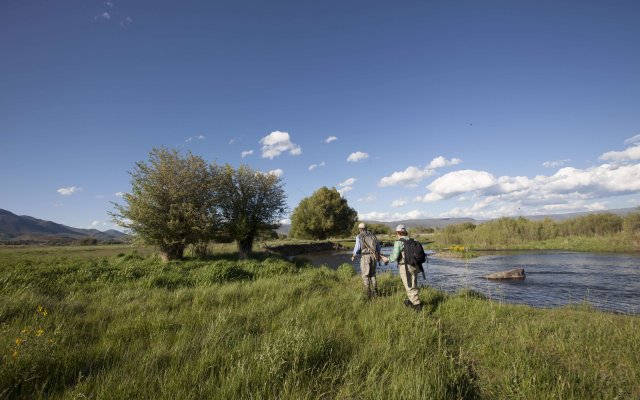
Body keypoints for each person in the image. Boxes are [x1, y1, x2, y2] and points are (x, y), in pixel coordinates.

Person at [382, 225, 423, 311]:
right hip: (415, 265)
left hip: (405, 267)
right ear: (405, 232)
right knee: (413, 285)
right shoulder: (413, 240)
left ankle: (417, 306)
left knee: (409, 287)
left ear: (398, 233)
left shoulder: (398, 242)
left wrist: (387, 259)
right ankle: (411, 301)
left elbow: (394, 256)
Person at [351, 222, 381, 298]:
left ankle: (368, 293)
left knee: (365, 275)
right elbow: (378, 247)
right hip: (374, 256)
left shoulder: (359, 236)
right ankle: (375, 292)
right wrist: (378, 255)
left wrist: (354, 255)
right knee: (373, 275)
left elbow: (357, 248)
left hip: (365, 257)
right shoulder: (373, 235)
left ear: (359, 229)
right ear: (366, 228)